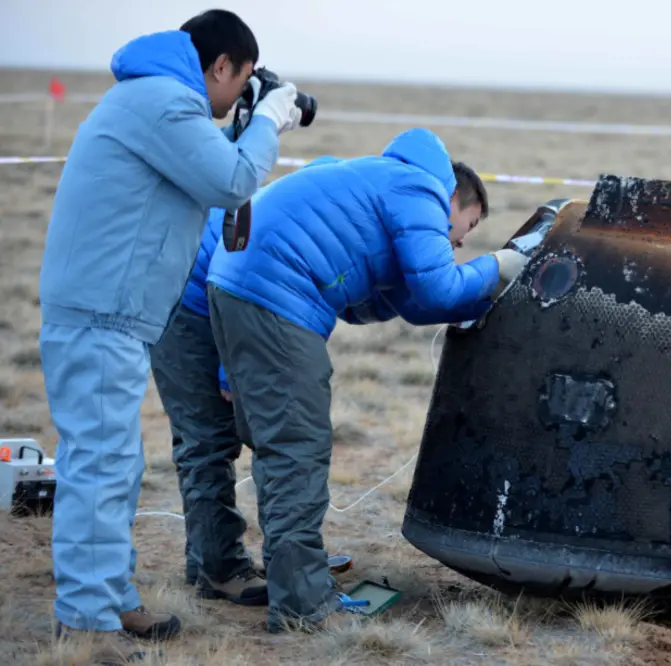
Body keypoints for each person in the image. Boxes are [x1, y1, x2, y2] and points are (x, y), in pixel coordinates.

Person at [36, 8, 305, 660]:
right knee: (100, 465)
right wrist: (269, 117)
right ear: (220, 67)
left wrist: (249, 118)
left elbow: (219, 191)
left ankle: (111, 599)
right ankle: (85, 618)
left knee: (116, 464)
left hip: (109, 312)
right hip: (102, 314)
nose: (235, 97)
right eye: (239, 82)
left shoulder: (149, 98)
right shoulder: (166, 103)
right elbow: (234, 178)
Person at [205, 128, 529, 633]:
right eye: (467, 225)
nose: (462, 240)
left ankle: (293, 578)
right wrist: (498, 268)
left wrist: (483, 297)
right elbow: (439, 287)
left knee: (277, 448)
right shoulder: (422, 190)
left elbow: (414, 300)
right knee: (297, 450)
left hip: (236, 284)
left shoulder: (382, 182)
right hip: (278, 297)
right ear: (455, 200)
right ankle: (302, 604)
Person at [149, 156, 340, 604]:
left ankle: (206, 561)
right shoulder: (288, 226)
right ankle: (221, 569)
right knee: (208, 441)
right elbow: (233, 284)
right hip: (187, 310)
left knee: (202, 440)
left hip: (184, 302)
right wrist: (228, 371)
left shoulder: (287, 212)